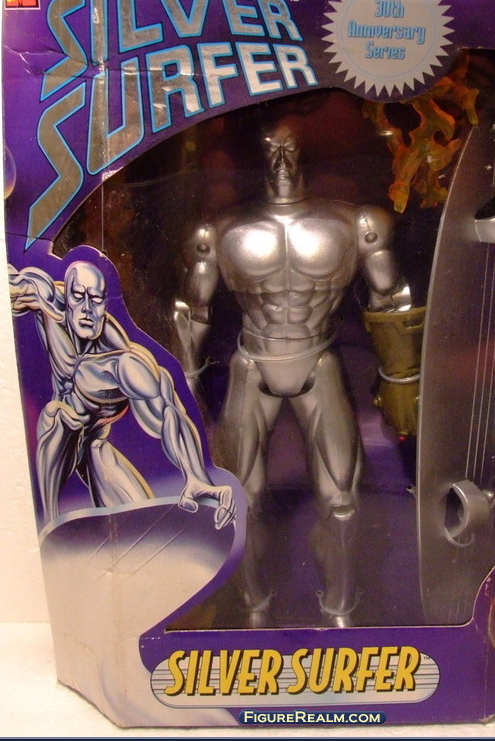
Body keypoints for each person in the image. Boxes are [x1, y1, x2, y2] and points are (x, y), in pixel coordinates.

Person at [175, 117, 422, 625]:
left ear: (307, 150)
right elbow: (191, 312)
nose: (282, 162)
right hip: (252, 364)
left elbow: (392, 300)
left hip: (318, 358)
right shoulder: (220, 231)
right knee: (239, 503)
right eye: (271, 149)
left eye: (289, 148)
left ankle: (340, 607)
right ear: (256, 154)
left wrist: (402, 379)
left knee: (343, 505)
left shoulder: (354, 223)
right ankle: (253, 607)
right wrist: (186, 390)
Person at [9, 260, 235, 529]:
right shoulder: (46, 298)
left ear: (106, 303)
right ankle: (51, 523)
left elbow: (167, 410)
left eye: (96, 299)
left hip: (94, 444)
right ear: (66, 295)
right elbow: (9, 280)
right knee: (59, 416)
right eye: (78, 296)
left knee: (141, 521)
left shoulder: (122, 360)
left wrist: (197, 476)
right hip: (58, 434)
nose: (87, 308)